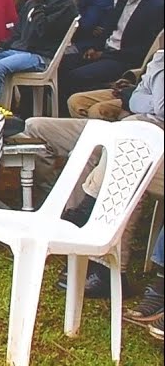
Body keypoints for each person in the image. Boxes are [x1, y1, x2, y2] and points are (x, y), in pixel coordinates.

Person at [21, 49, 163, 298]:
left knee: (126, 149)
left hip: (144, 140)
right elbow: (136, 98)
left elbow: (159, 108)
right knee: (36, 126)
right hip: (123, 125)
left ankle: (104, 263)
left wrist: (140, 98)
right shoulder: (160, 56)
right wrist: (139, 95)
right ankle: (61, 217)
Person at [60, 0, 165, 106]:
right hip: (104, 51)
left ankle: (76, 113)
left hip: (124, 59)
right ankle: (56, 112)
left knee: (77, 76)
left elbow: (145, 48)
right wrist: (95, 48)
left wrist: (103, 54)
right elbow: (108, 29)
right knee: (62, 64)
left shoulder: (157, 5)